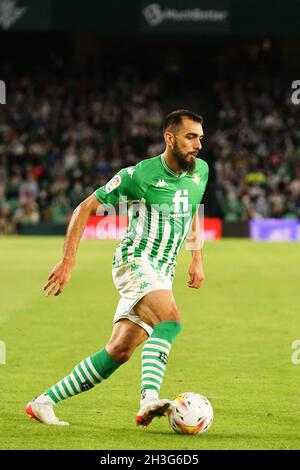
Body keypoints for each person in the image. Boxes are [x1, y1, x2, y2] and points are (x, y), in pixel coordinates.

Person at [25, 109, 209, 427]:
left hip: (162, 271)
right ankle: (149, 399)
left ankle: (43, 402)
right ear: (170, 138)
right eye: (190, 137)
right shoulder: (138, 176)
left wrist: (196, 257)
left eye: (200, 138)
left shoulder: (200, 171)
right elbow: (85, 208)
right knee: (171, 322)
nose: (198, 145)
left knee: (119, 350)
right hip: (135, 262)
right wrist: (68, 261)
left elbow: (192, 208)